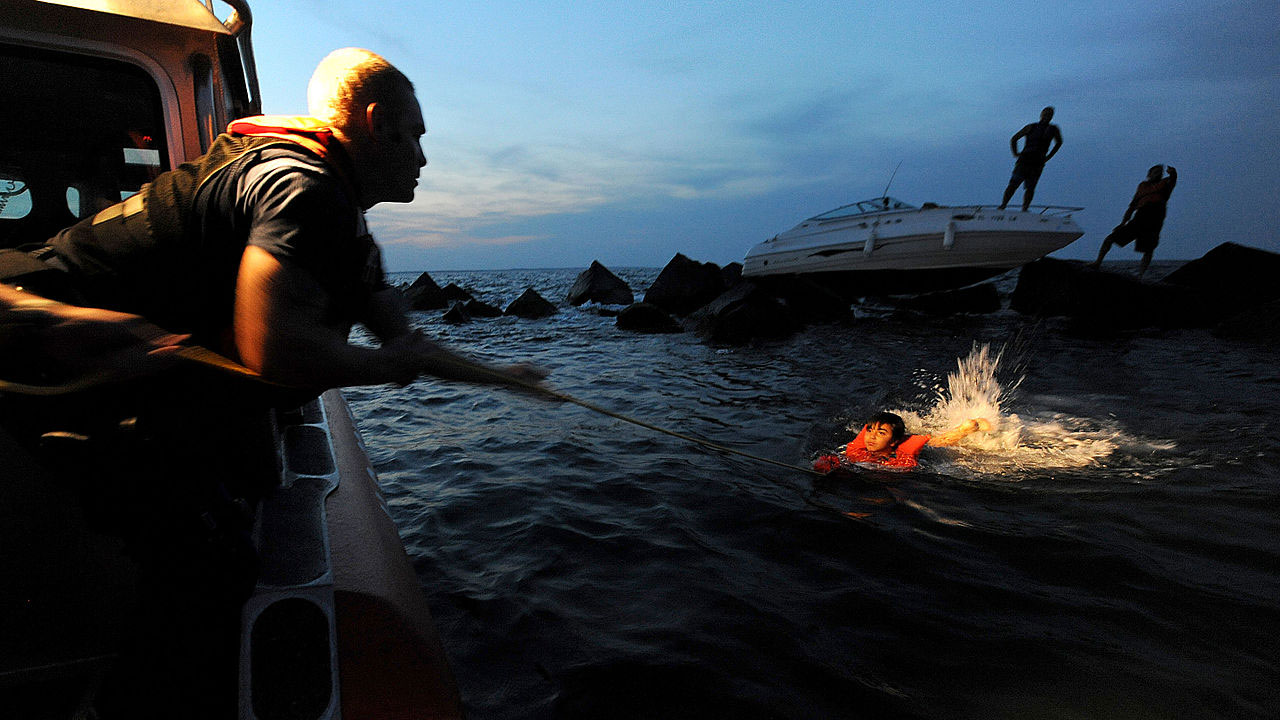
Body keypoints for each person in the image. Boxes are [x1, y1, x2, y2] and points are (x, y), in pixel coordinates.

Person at [1, 47, 543, 717]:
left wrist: (505, 377)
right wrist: (383, 370)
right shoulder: (300, 188)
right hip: (41, 341)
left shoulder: (342, 216)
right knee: (207, 569)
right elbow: (273, 350)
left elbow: (404, 338)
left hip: (107, 363)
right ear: (377, 124)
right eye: (416, 136)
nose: (424, 159)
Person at [813, 411, 992, 471]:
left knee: (937, 444)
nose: (872, 436)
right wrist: (830, 463)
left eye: (881, 433)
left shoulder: (902, 458)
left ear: (893, 441)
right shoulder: (859, 448)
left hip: (925, 454)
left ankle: (967, 429)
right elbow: (842, 459)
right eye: (870, 430)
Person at [1089, 164, 1178, 278]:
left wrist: (1173, 172)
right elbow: (1132, 206)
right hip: (1139, 218)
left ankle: (1140, 275)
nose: (1158, 174)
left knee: (1149, 249)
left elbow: (1173, 180)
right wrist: (1123, 223)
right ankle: (1097, 262)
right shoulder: (1142, 186)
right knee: (1110, 238)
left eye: (1160, 172)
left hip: (1154, 220)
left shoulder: (1166, 184)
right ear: (1149, 174)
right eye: (1155, 172)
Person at [999, 106, 1063, 212]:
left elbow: (1059, 143)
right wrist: (1016, 153)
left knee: (1030, 187)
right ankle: (1003, 205)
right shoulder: (1031, 127)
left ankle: (1025, 208)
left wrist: (1048, 157)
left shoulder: (1053, 129)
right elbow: (1014, 139)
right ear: (1041, 114)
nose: (1047, 116)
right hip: (1024, 160)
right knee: (1013, 184)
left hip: (1038, 162)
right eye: (1046, 114)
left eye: (1050, 114)